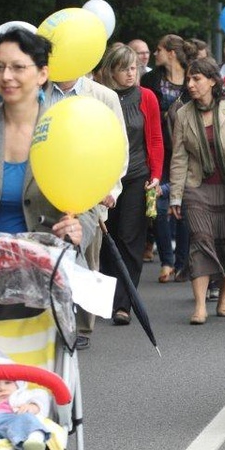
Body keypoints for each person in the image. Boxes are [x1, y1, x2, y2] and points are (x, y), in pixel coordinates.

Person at [0, 27, 95, 261]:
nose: (6, 76)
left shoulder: (65, 129)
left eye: (18, 67)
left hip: (50, 267)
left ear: (42, 74)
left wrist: (79, 227)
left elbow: (87, 204)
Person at [45, 57, 129, 349]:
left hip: (90, 190)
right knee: (52, 254)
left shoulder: (103, 96)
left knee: (84, 254)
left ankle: (82, 325)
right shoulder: (40, 94)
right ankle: (54, 319)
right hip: (48, 186)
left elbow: (119, 144)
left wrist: (111, 188)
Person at [169, 58, 225, 325]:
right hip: (197, 188)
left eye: (197, 79)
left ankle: (223, 295)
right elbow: (179, 157)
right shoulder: (183, 114)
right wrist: (175, 195)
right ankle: (199, 306)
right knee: (200, 240)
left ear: (212, 81)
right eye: (189, 79)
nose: (191, 84)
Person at [97, 45, 164, 325]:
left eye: (134, 68)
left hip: (137, 176)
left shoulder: (146, 97)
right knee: (105, 239)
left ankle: (123, 302)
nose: (130, 73)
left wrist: (156, 175)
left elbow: (157, 139)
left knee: (129, 238)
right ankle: (108, 295)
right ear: (111, 71)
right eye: (124, 68)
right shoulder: (100, 98)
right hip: (104, 177)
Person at [142, 34, 199, 283]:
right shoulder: (151, 79)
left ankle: (182, 262)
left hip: (186, 149)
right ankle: (166, 261)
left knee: (184, 204)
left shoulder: (192, 78)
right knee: (159, 204)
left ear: (171, 53)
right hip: (158, 147)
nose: (155, 54)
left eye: (159, 50)